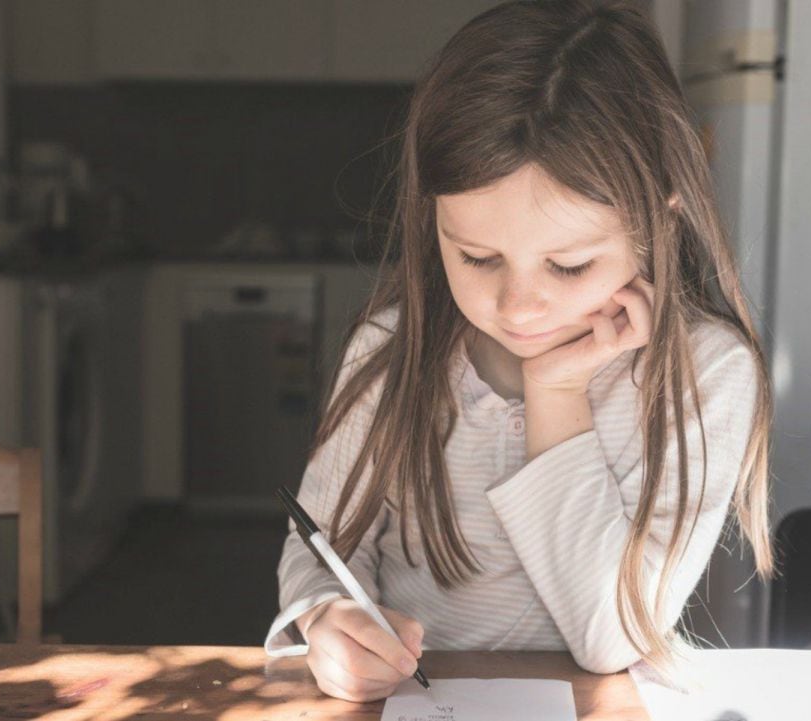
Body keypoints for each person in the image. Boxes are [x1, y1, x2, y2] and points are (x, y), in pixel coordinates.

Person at [264, 0, 775, 702]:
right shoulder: (392, 351)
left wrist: (557, 394)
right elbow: (321, 544)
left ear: (662, 217)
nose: (517, 306)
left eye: (568, 266)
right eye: (476, 256)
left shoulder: (707, 375)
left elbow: (611, 635)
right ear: (432, 216)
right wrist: (328, 618)